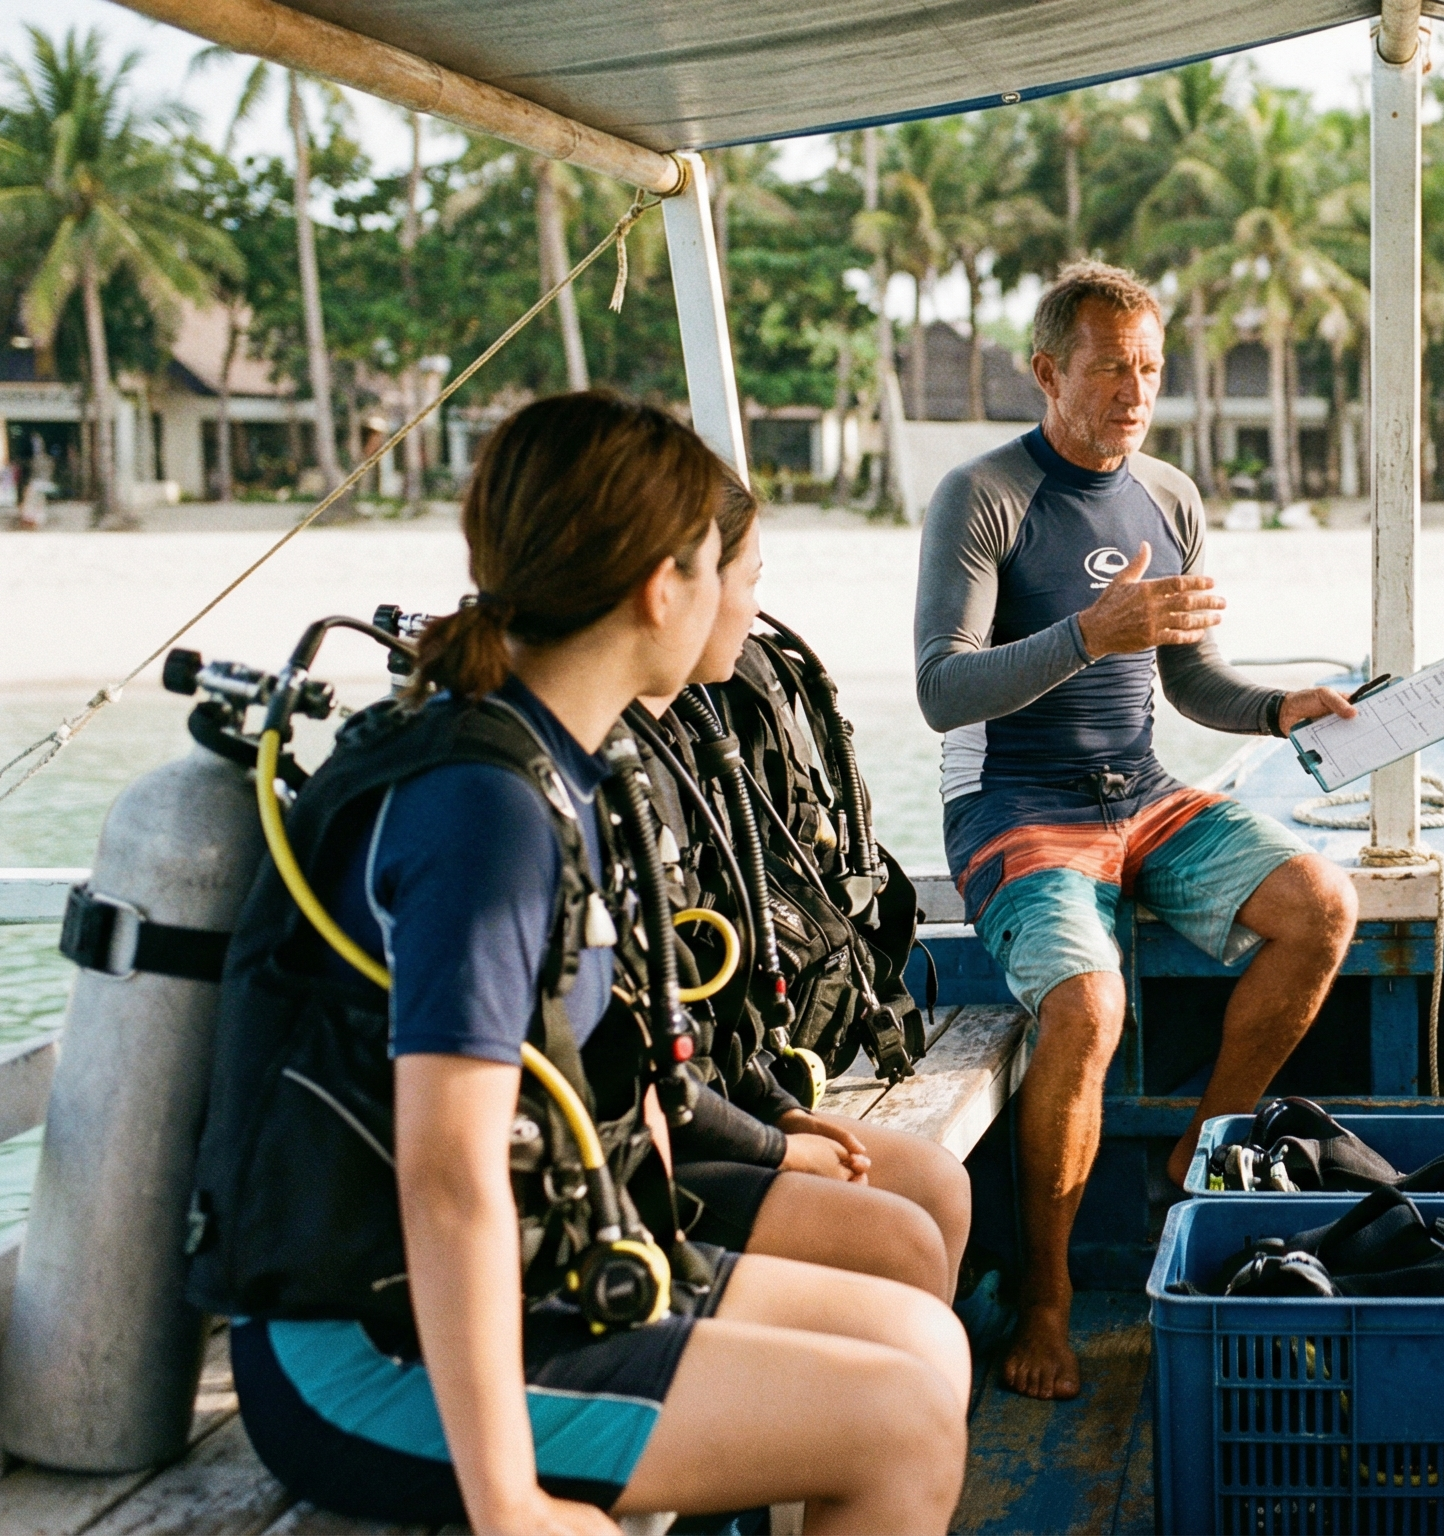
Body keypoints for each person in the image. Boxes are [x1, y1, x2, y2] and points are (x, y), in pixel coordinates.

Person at [191, 393, 969, 1534]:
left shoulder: (547, 763)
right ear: (664, 588)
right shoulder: (483, 814)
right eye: (719, 564)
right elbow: (447, 1172)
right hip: (360, 1352)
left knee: (917, 1349)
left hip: (538, 1266)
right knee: (897, 1422)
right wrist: (508, 1501)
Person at [916, 261, 1360, 1400]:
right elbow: (941, 689)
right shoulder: (982, 496)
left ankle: (1197, 1153)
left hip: (1144, 791)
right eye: (1111, 366)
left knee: (1321, 905)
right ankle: (1047, 1299)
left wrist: (1274, 706)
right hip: (1016, 805)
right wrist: (1087, 631)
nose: (1133, 390)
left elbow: (1190, 679)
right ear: (1050, 369)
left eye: (1150, 368)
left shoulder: (1168, 495)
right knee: (1087, 1003)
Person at [634, 479, 973, 1301]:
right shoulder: (564, 787)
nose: (756, 613)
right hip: (636, 1168)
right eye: (749, 581)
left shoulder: (677, 738)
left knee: (937, 1189)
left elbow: (700, 1019)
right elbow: (636, 1066)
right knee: (902, 1248)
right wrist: (778, 1148)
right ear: (669, 591)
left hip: (710, 1100)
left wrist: (778, 1113)